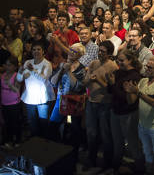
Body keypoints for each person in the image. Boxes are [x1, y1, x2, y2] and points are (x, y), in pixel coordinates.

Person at [124, 58, 154, 175]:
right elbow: (132, 101)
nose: (146, 69)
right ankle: (148, 172)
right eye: (146, 66)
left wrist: (137, 92)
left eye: (150, 67)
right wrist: (129, 91)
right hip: (142, 124)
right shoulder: (143, 81)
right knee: (147, 152)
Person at [83, 41, 117, 170]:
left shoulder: (113, 67)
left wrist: (98, 80)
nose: (100, 53)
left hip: (105, 104)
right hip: (91, 102)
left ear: (109, 53)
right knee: (91, 133)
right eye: (99, 51)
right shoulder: (93, 63)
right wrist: (89, 79)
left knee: (105, 134)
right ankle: (91, 159)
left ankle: (107, 163)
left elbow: (111, 89)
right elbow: (85, 82)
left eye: (103, 51)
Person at [107, 50, 143, 173]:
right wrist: (110, 84)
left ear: (130, 60)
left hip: (128, 113)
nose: (119, 62)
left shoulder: (134, 76)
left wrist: (113, 85)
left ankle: (140, 169)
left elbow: (129, 100)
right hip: (115, 111)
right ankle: (115, 167)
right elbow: (111, 92)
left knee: (132, 143)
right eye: (118, 60)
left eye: (122, 60)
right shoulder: (118, 72)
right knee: (117, 142)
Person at [49, 43, 86, 162]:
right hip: (61, 99)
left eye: (75, 51)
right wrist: (61, 70)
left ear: (80, 55)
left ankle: (72, 156)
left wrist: (69, 72)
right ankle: (57, 151)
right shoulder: (62, 64)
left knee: (74, 130)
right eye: (70, 50)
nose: (71, 52)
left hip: (73, 101)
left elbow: (78, 87)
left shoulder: (81, 68)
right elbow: (53, 82)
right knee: (53, 125)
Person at [16, 42, 55, 138]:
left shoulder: (47, 64)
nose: (36, 51)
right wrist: (20, 72)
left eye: (38, 49)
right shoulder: (28, 62)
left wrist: (33, 70)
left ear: (43, 51)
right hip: (30, 97)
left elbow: (43, 79)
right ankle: (34, 142)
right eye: (34, 49)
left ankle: (44, 143)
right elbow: (19, 79)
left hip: (42, 98)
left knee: (43, 122)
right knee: (32, 122)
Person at [1, 56, 22, 147]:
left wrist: (9, 84)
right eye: (6, 65)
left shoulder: (16, 75)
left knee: (15, 123)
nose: (7, 67)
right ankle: (8, 140)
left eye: (9, 65)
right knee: (7, 122)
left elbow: (17, 90)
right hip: (4, 103)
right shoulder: (3, 75)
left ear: (14, 67)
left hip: (14, 103)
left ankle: (17, 140)